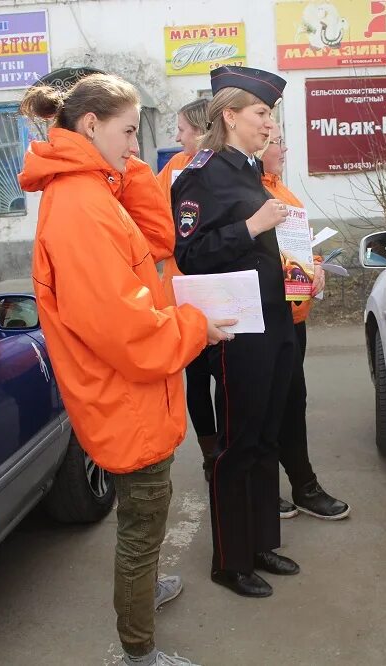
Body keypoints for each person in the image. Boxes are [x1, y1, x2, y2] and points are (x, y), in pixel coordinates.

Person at [18, 73, 234, 666]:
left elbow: (158, 238)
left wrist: (125, 168)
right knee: (141, 525)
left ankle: (142, 596)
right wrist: (195, 328)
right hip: (126, 397)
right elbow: (126, 330)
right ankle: (139, 650)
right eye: (129, 131)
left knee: (148, 516)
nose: (138, 145)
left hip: (135, 395)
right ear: (90, 125)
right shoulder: (81, 208)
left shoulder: (94, 190)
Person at [172, 65, 298, 598]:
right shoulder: (201, 175)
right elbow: (191, 254)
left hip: (275, 321)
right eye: (262, 113)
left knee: (268, 436)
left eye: (270, 114)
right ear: (230, 115)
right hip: (238, 329)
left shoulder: (249, 171)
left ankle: (260, 541)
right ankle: (230, 558)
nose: (270, 123)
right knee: (237, 444)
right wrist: (252, 226)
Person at [257, 123, 350, 521]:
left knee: (293, 403)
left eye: (281, 139)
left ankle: (302, 486)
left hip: (294, 316)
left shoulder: (282, 190)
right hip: (263, 319)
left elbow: (297, 250)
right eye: (276, 141)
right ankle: (268, 489)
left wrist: (315, 269)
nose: (283, 148)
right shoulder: (249, 192)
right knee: (266, 409)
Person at [157, 99, 219, 481]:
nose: (177, 136)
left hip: (223, 292)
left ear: (200, 129)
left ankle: (230, 454)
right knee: (196, 379)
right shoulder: (175, 168)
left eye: (182, 129)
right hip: (184, 294)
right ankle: (212, 455)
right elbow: (155, 221)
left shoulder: (227, 166)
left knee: (227, 382)